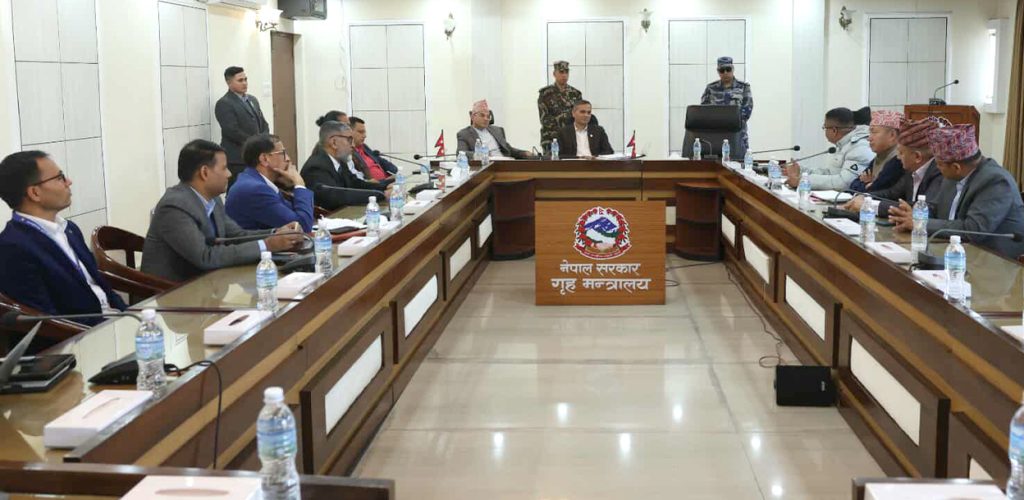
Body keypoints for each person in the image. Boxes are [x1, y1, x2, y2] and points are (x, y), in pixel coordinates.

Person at [141, 140, 305, 283]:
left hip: (210, 283)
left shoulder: (213, 199)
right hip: (171, 293)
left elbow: (237, 236)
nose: (229, 174)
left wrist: (276, 233)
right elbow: (205, 257)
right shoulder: (174, 207)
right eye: (224, 168)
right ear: (205, 172)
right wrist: (268, 244)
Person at [0, 151, 126, 325]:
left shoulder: (69, 229)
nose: (69, 182)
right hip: (82, 334)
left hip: (114, 320)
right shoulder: (13, 246)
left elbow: (99, 284)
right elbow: (45, 320)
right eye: (60, 178)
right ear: (35, 193)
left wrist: (127, 314)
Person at [888, 124, 1024, 260]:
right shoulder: (954, 175)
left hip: (995, 260)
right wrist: (913, 214)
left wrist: (921, 224)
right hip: (955, 251)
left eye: (939, 164)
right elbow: (936, 208)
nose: (937, 168)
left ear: (956, 167)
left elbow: (973, 229)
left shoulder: (995, 181)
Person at [843, 117, 944, 216]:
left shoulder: (939, 172)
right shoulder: (911, 171)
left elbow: (924, 208)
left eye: (901, 153)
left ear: (917, 157)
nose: (898, 157)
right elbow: (891, 193)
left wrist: (869, 205)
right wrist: (865, 197)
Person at [225, 134, 315, 233]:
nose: (288, 159)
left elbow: (295, 214)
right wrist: (299, 184)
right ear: (264, 159)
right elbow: (302, 226)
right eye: (283, 153)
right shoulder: (254, 189)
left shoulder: (256, 181)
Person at [301, 121, 388, 211]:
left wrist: (386, 186)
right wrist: (381, 195)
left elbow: (355, 184)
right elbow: (336, 197)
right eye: (349, 140)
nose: (353, 145)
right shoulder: (316, 167)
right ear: (334, 142)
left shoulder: (340, 162)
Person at [784, 107, 874, 190]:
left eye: (825, 128)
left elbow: (844, 183)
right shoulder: (845, 145)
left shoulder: (859, 148)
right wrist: (802, 171)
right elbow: (830, 173)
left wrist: (802, 181)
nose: (824, 131)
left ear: (834, 130)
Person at [215, 66, 269, 184]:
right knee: (238, 188)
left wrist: (264, 141)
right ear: (229, 83)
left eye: (245, 79)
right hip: (237, 159)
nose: (244, 83)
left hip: (256, 156)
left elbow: (263, 123)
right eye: (240, 80)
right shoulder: (224, 103)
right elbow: (232, 131)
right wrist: (255, 143)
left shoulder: (252, 100)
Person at [701, 56, 753, 150]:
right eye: (722, 70)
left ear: (733, 69)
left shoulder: (744, 87)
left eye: (728, 69)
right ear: (718, 71)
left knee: (740, 159)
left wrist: (729, 121)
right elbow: (704, 111)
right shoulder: (711, 88)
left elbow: (747, 110)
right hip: (716, 136)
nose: (725, 73)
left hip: (738, 135)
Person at [457, 100, 536, 159]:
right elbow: (461, 153)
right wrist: (480, 155)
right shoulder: (464, 134)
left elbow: (509, 149)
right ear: (472, 117)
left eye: (488, 116)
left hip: (505, 162)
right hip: (486, 166)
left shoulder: (497, 130)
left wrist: (524, 153)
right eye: (482, 115)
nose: (486, 119)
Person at [849, 110, 904, 193]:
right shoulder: (880, 156)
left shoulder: (898, 160)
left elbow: (875, 191)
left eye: (874, 132)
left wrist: (867, 184)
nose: (869, 138)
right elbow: (853, 186)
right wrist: (868, 184)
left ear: (892, 135)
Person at [537, 60, 582, 153]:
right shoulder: (545, 93)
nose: (564, 75)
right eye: (561, 72)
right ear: (554, 74)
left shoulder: (575, 93)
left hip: (571, 137)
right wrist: (563, 123)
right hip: (551, 138)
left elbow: (579, 116)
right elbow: (544, 119)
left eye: (566, 72)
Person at [349, 116, 398, 182]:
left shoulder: (364, 147)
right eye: (360, 132)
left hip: (386, 183)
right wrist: (385, 182)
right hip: (375, 186)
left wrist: (392, 175)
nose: (365, 136)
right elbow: (362, 181)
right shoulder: (349, 153)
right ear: (349, 132)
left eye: (364, 132)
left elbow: (390, 167)